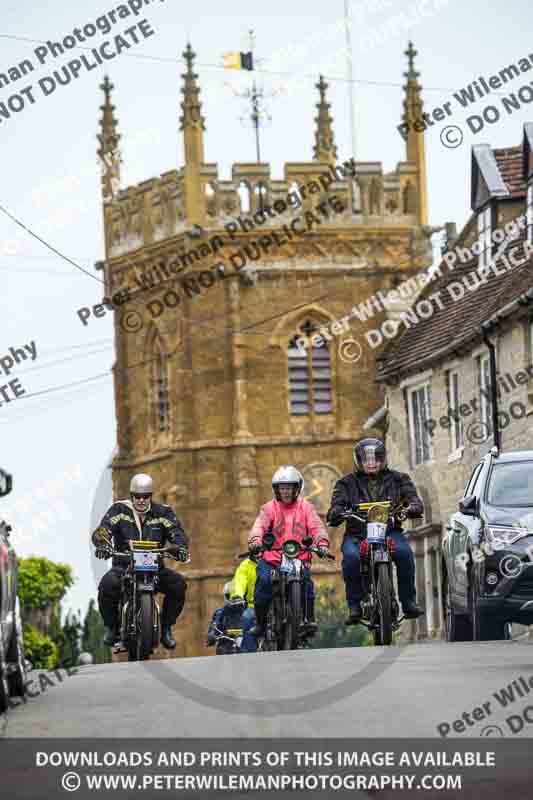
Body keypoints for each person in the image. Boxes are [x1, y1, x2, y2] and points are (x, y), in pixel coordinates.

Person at [327, 437, 424, 625]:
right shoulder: (345, 483)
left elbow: (414, 500)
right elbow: (335, 506)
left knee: (404, 554)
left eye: (376, 458)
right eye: (366, 459)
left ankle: (408, 601)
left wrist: (411, 507)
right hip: (358, 534)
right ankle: (355, 605)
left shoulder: (399, 479)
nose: (371, 463)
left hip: (389, 531)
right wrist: (338, 512)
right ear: (358, 461)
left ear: (383, 459)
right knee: (351, 557)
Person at [91, 473, 189, 649]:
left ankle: (166, 628)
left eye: (146, 496)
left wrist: (179, 547)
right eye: (137, 496)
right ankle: (112, 628)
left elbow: (177, 533)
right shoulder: (118, 510)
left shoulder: (164, 513)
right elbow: (103, 530)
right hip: (124, 566)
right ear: (131, 495)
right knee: (107, 585)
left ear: (151, 496)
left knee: (178, 584)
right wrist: (102, 544)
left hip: (155, 569)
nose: (141, 500)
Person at [248, 465, 331, 639]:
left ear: (297, 488)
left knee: (307, 583)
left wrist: (322, 543)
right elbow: (259, 526)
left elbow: (316, 526)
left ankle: (308, 619)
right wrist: (255, 541)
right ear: (276, 489)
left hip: (298, 557)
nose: (285, 492)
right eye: (282, 488)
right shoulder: (268, 508)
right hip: (272, 558)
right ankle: (260, 622)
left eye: (289, 487)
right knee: (263, 582)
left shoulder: (306, 507)